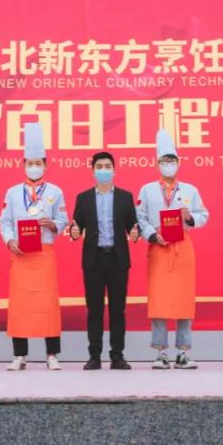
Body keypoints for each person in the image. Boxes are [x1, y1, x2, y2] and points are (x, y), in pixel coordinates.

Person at [0, 123, 69, 370]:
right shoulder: (12, 193)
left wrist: (53, 224)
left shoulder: (55, 192)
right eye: (30, 163)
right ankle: (20, 355)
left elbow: (63, 219)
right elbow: (5, 222)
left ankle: (52, 355)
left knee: (48, 304)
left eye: (38, 163)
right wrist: (10, 240)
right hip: (21, 255)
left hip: (44, 254)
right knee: (20, 306)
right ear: (23, 164)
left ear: (46, 165)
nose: (34, 167)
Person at [136, 129, 208, 369]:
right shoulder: (147, 189)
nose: (169, 164)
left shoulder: (190, 190)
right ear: (158, 163)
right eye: (165, 160)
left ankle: (183, 351)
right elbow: (140, 217)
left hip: (182, 248)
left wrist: (189, 218)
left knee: (184, 299)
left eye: (172, 160)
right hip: (159, 247)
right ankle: (161, 352)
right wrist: (152, 235)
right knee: (159, 300)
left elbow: (204, 215)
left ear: (179, 163)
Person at [69, 151, 140, 370]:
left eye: (107, 167)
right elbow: (76, 226)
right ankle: (94, 356)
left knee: (118, 310)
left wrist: (135, 233)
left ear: (114, 170)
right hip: (94, 259)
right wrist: (74, 232)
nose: (103, 171)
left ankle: (117, 356)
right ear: (93, 171)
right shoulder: (83, 198)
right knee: (94, 311)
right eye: (99, 167)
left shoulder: (125, 197)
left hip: (118, 259)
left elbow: (133, 226)